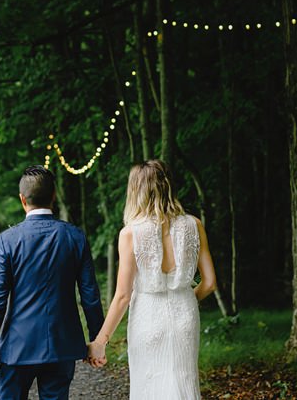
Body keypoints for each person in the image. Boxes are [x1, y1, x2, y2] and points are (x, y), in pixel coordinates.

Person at [87, 160, 217, 399]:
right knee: (184, 382)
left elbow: (123, 295)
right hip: (185, 314)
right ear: (169, 186)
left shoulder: (130, 233)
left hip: (147, 317)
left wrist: (100, 341)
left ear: (135, 191)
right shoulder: (195, 225)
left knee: (150, 386)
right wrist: (187, 299)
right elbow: (209, 282)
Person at [0, 165, 105, 400]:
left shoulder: (8, 240)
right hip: (62, 345)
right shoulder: (75, 237)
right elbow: (90, 295)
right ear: (54, 197)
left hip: (18, 346)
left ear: (22, 199)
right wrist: (97, 341)